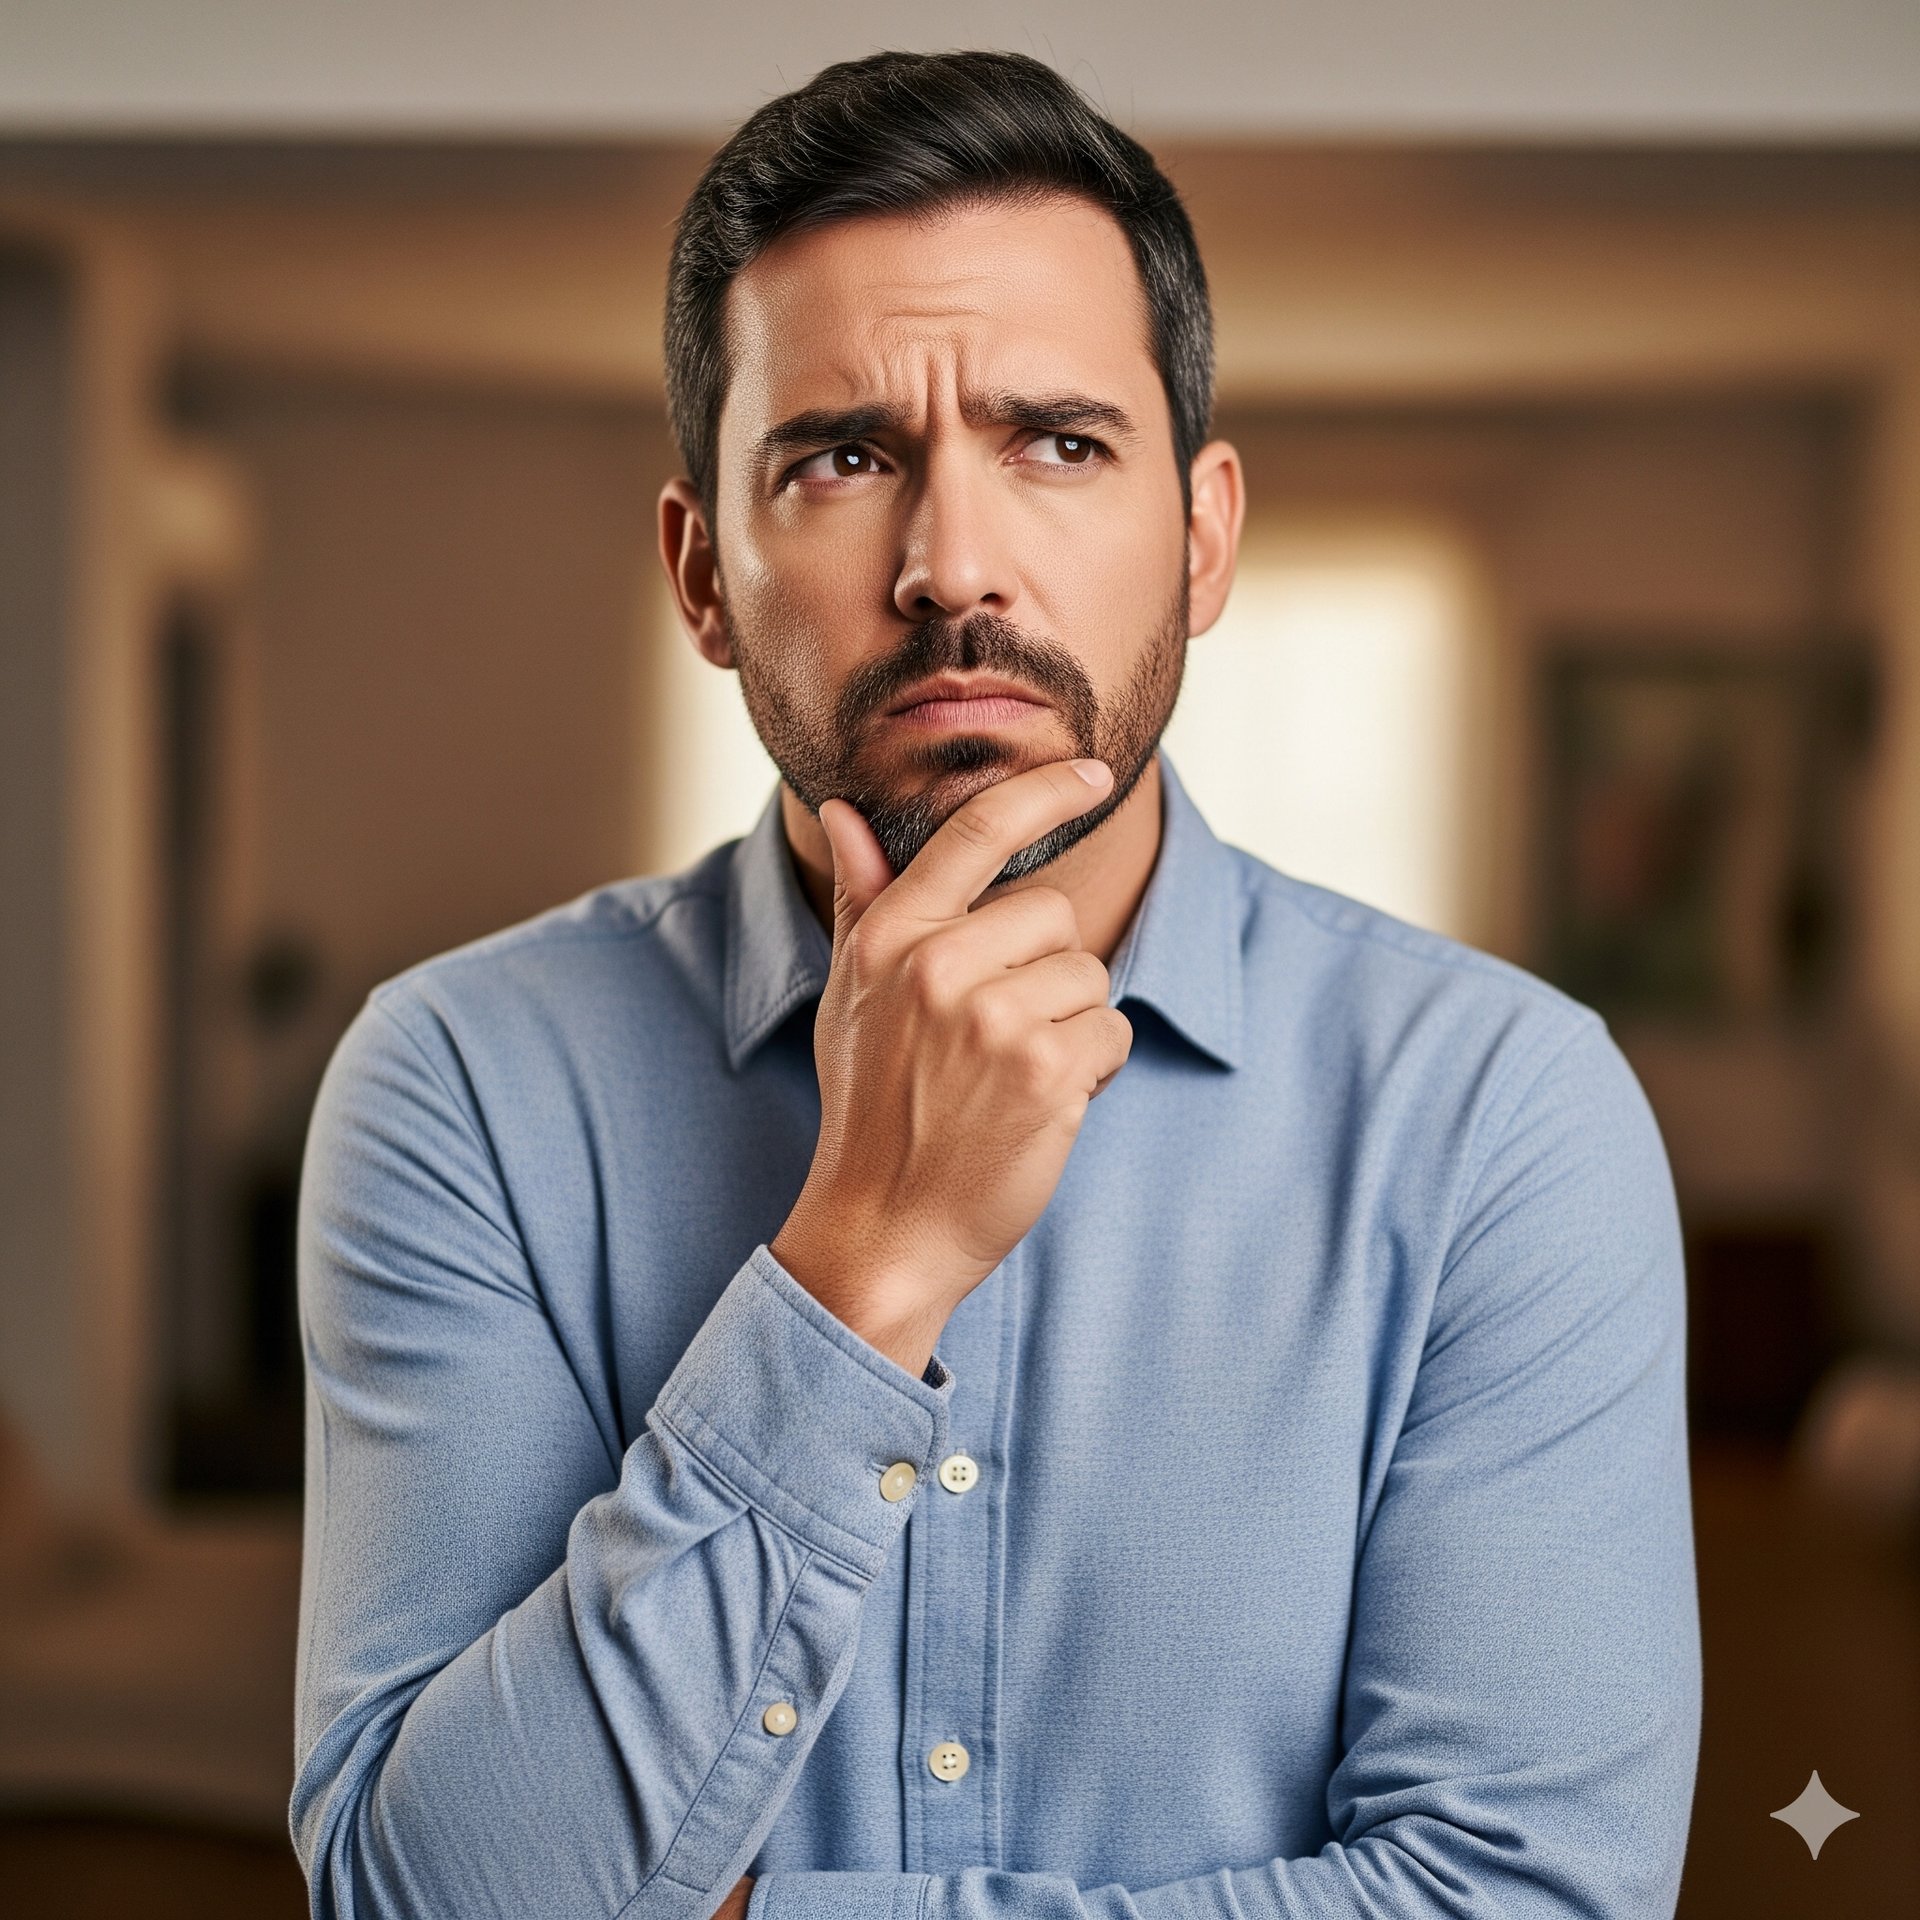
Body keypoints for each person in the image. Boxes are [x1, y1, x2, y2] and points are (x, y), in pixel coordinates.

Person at [291, 49, 1700, 1920]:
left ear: (1200, 538)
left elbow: (1533, 1902)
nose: (956, 563)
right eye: (845, 456)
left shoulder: (1506, 1116)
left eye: (1059, 441)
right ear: (701, 570)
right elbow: (421, 1901)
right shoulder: (461, 1084)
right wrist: (863, 1261)